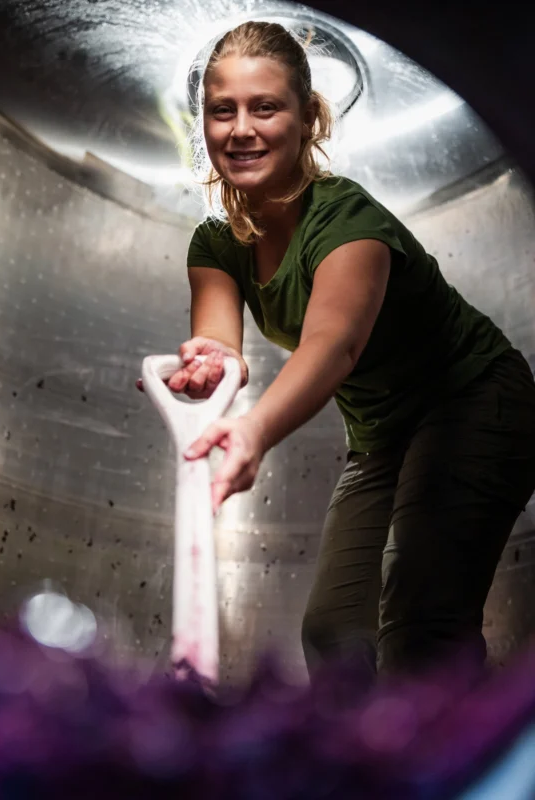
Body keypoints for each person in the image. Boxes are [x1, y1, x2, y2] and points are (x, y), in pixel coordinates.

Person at [156, 21, 535, 677]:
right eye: (223, 111)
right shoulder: (213, 245)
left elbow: (335, 345)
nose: (241, 128)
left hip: (475, 400)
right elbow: (221, 344)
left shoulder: (347, 219)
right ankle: (363, 764)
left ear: (307, 119)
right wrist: (210, 372)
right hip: (382, 437)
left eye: (265, 107)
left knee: (423, 621)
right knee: (335, 629)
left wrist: (252, 431)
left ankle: (444, 770)